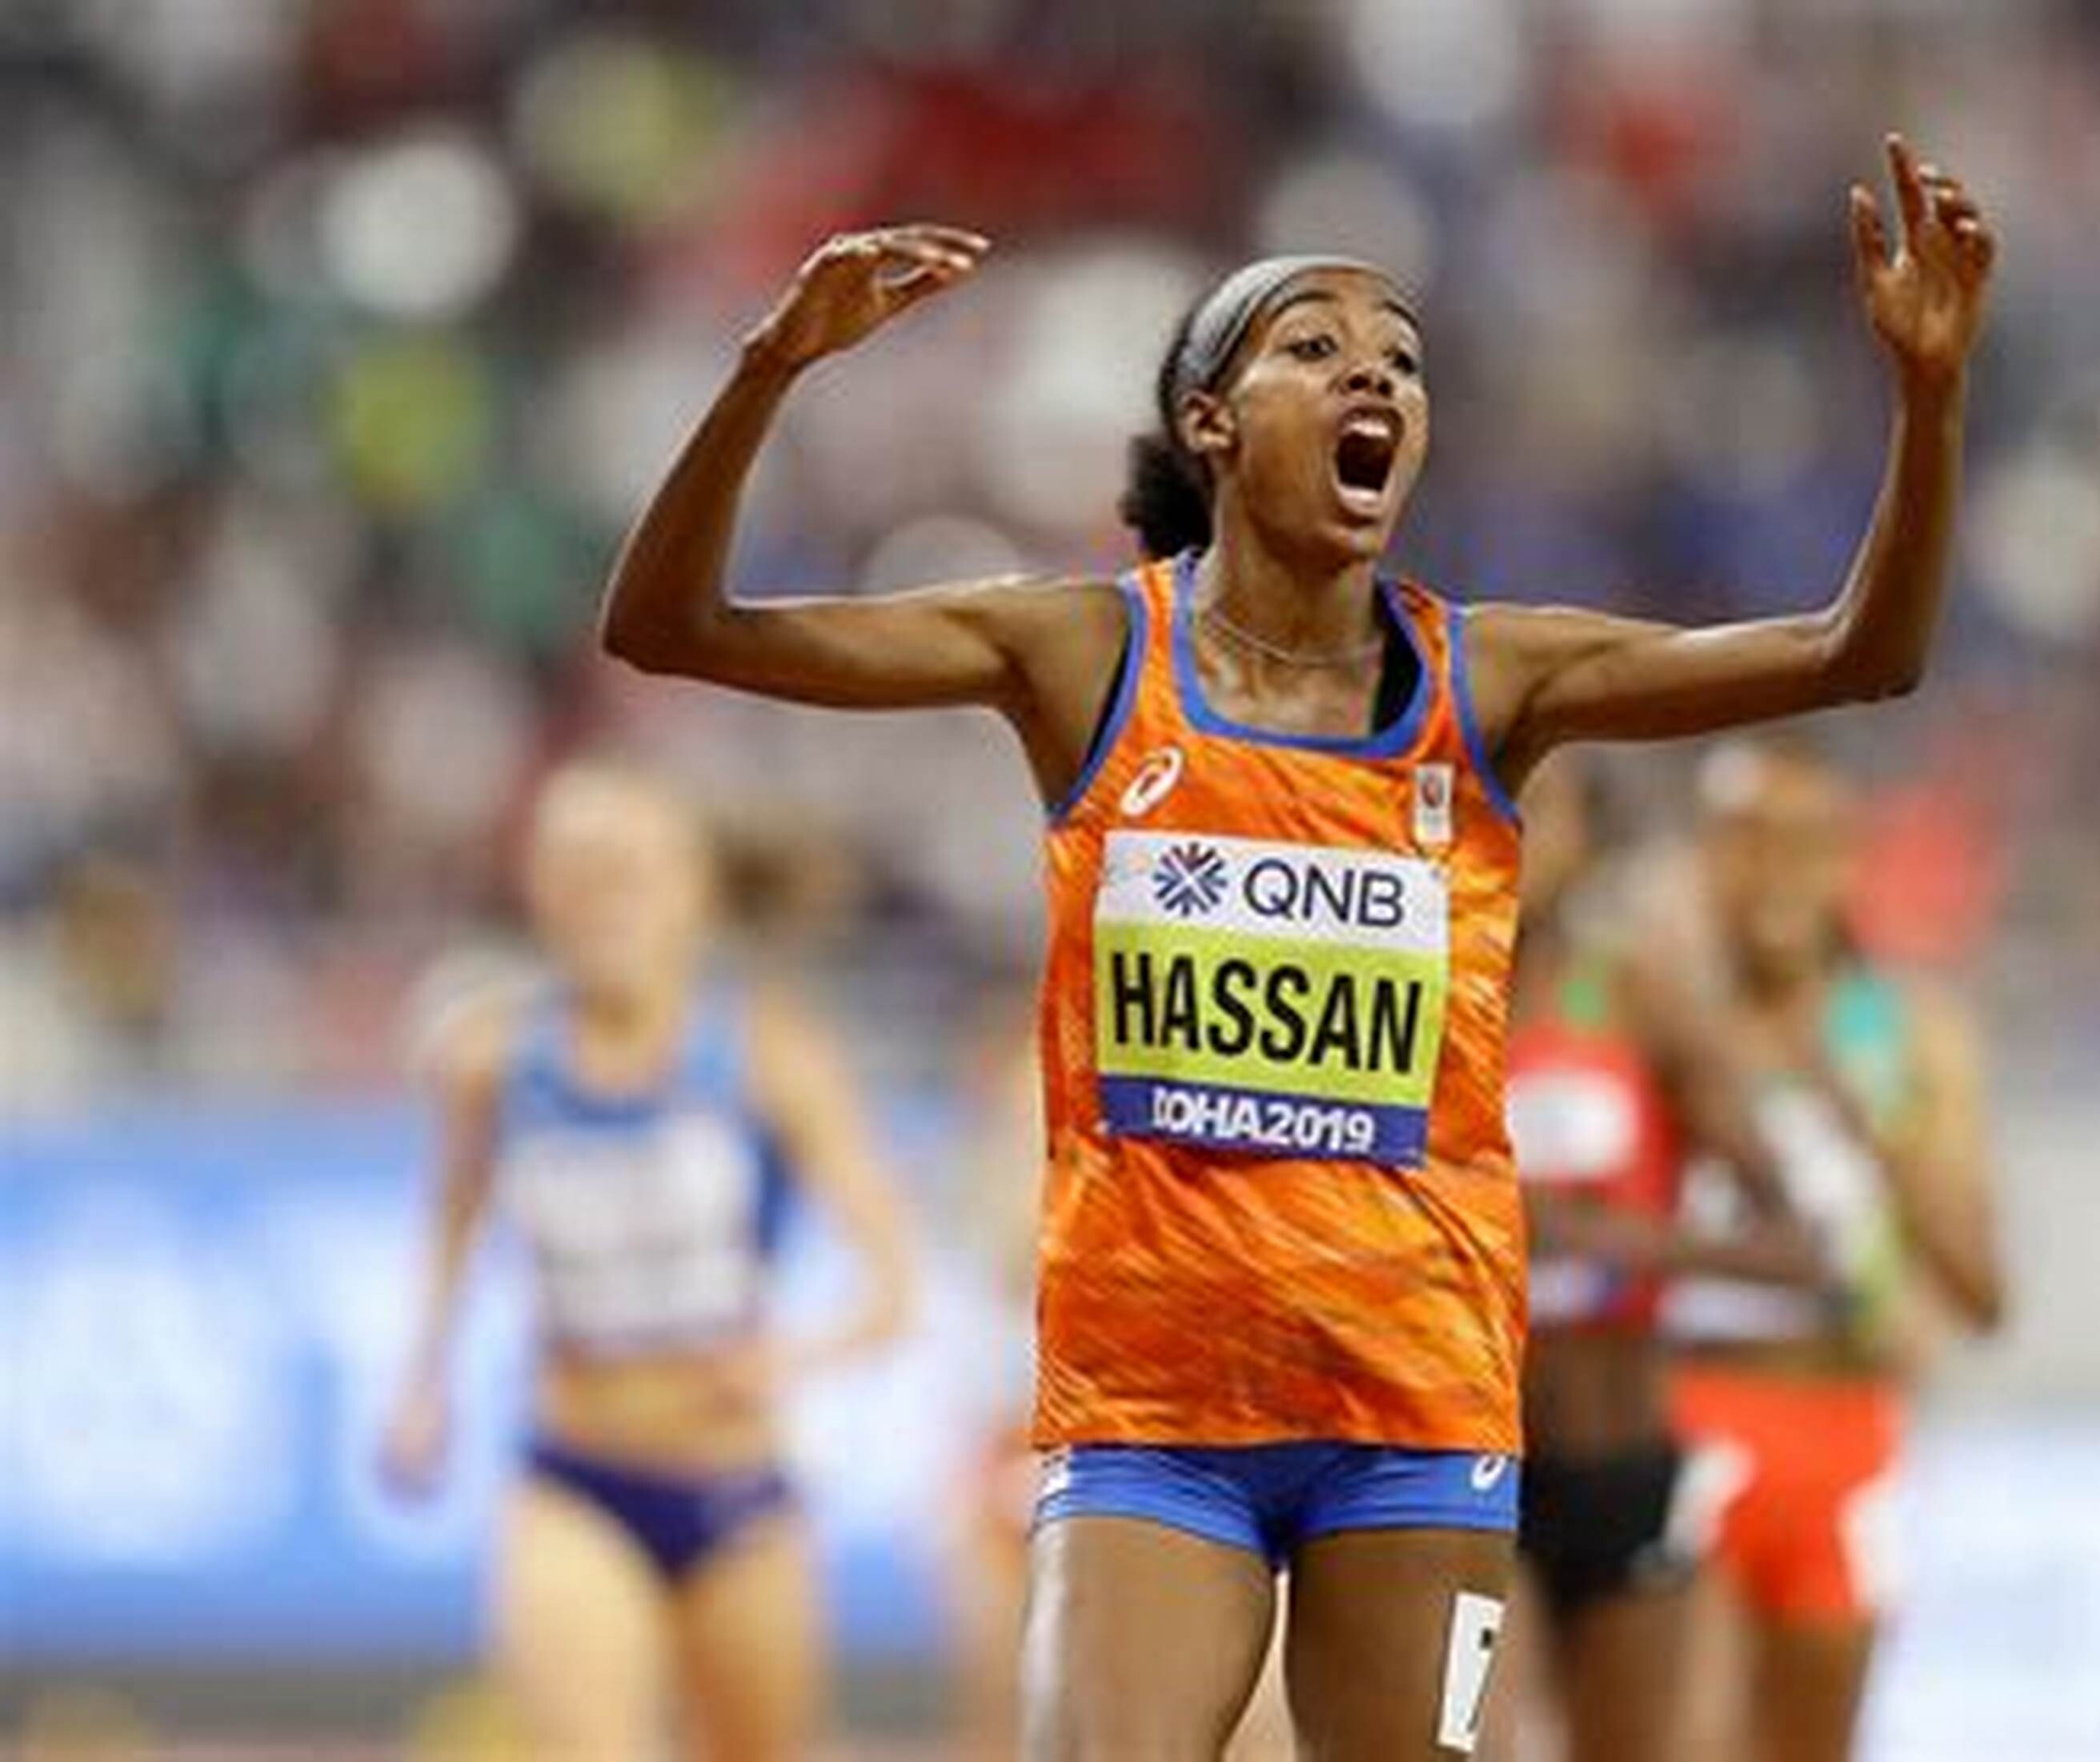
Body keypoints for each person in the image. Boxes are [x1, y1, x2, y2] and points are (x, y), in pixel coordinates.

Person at [598, 132, 1994, 1760]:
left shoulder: (1491, 682)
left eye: (1400, 358)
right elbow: (668, 626)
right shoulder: (1083, 652)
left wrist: (1928, 396)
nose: (1374, 376)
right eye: (1316, 348)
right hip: (1153, 1415)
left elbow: (1859, 652)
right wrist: (770, 367)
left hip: (1416, 1417)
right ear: (1212, 421)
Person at [378, 763, 914, 1762]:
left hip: (737, 1492)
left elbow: (894, 1291)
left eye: (626, 873)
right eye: (573, 873)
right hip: (573, 1476)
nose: (599, 901)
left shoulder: (769, 1056)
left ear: (693, 892)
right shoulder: (491, 1060)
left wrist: (793, 1358)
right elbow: (452, 1213)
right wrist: (423, 1381)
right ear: (537, 892)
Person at [1661, 743, 2006, 1762]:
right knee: (1692, 1736)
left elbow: (1983, 1292)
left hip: (1847, 1428)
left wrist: (1874, 1125)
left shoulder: (1902, 1033)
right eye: (1744, 842)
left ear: (1847, 864)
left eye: (1802, 845)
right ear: (1704, 860)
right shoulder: (1662, 1017)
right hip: (1688, 1413)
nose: (1772, 873)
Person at [1501, 754, 1829, 1762]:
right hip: (1470, 1465)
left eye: (1541, 809)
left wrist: (1612, 1244)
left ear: (1588, 839)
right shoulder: (1420, 1000)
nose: (1514, 834)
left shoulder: (1639, 999)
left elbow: (1798, 1249)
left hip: (1623, 1460)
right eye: (1493, 799)